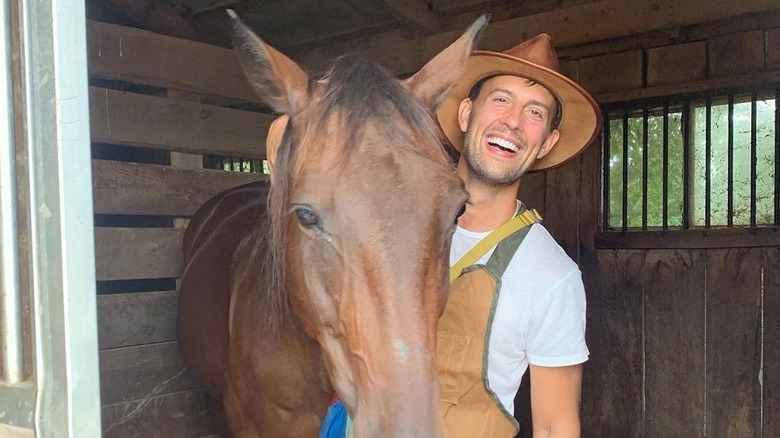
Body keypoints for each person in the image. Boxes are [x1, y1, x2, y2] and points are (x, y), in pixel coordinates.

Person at [435, 33, 601, 437]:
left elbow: (553, 426)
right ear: (466, 114)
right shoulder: (388, 224)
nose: (512, 121)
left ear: (546, 143)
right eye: (501, 99)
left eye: (535, 113)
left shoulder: (551, 276)